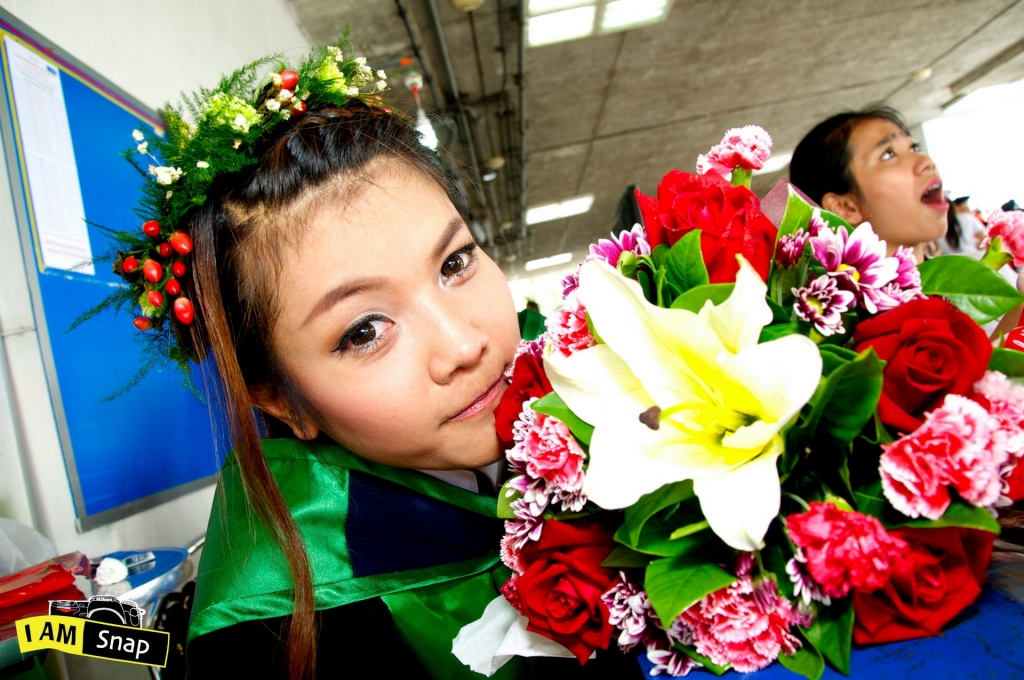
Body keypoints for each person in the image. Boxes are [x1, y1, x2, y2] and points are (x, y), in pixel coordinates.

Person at [88, 43, 642, 680]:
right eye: (364, 331)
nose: (464, 346)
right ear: (280, 399)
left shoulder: (605, 409)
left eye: (455, 262)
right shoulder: (276, 637)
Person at [789, 106, 947, 262]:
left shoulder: (957, 277)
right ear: (845, 208)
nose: (926, 162)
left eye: (914, 147)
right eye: (888, 154)